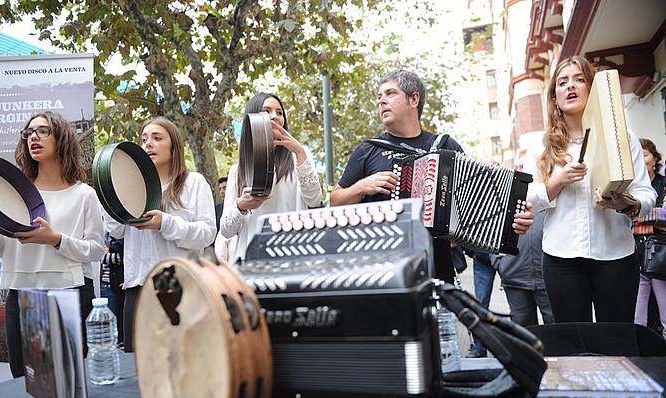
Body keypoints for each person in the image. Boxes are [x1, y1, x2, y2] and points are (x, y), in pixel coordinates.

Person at [330, 69, 533, 282]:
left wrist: (516, 217)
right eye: (379, 97)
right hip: (382, 272)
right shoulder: (368, 150)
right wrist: (362, 186)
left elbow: (476, 206)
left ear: (414, 99)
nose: (381, 101)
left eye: (390, 94)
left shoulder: (446, 147)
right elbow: (335, 202)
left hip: (437, 271)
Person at [524, 56, 656, 323]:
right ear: (555, 97)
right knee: (574, 347)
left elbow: (647, 194)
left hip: (616, 256)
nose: (570, 86)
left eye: (579, 79)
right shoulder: (541, 146)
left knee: (618, 343)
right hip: (560, 260)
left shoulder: (622, 138)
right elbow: (527, 200)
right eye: (562, 82)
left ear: (592, 88)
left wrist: (623, 202)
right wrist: (558, 180)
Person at [0, 111, 105, 377]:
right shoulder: (15, 194)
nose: (33, 137)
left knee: (70, 382)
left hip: (69, 293)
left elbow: (95, 249)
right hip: (20, 294)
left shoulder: (84, 195)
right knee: (23, 381)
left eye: (43, 131)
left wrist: (56, 240)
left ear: (61, 139)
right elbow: (4, 249)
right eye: (28, 133)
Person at [104, 116, 216, 352]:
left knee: (186, 365)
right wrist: (112, 194)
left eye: (157, 138)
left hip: (182, 287)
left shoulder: (194, 183)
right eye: (144, 139)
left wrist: (165, 223)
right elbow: (115, 231)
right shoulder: (132, 188)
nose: (148, 144)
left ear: (174, 146)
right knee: (140, 372)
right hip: (139, 287)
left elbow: (207, 234)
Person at [221, 92, 323, 261]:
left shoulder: (298, 159)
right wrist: (240, 205)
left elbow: (314, 200)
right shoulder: (238, 170)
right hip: (252, 259)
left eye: (279, 112)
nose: (275, 117)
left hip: (294, 256)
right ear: (252, 119)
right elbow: (226, 230)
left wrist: (299, 151)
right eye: (266, 111)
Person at [493, 210, 554, 327]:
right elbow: (491, 229)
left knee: (556, 328)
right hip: (514, 277)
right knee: (523, 332)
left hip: (548, 278)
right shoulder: (506, 195)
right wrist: (500, 263)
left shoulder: (549, 194)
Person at [634, 138, 666, 337]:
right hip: (635, 253)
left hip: (660, 252)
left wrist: (636, 212)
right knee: (637, 315)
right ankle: (640, 356)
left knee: (665, 311)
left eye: (644, 154)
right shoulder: (632, 186)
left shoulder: (663, 183)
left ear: (654, 158)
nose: (641, 159)